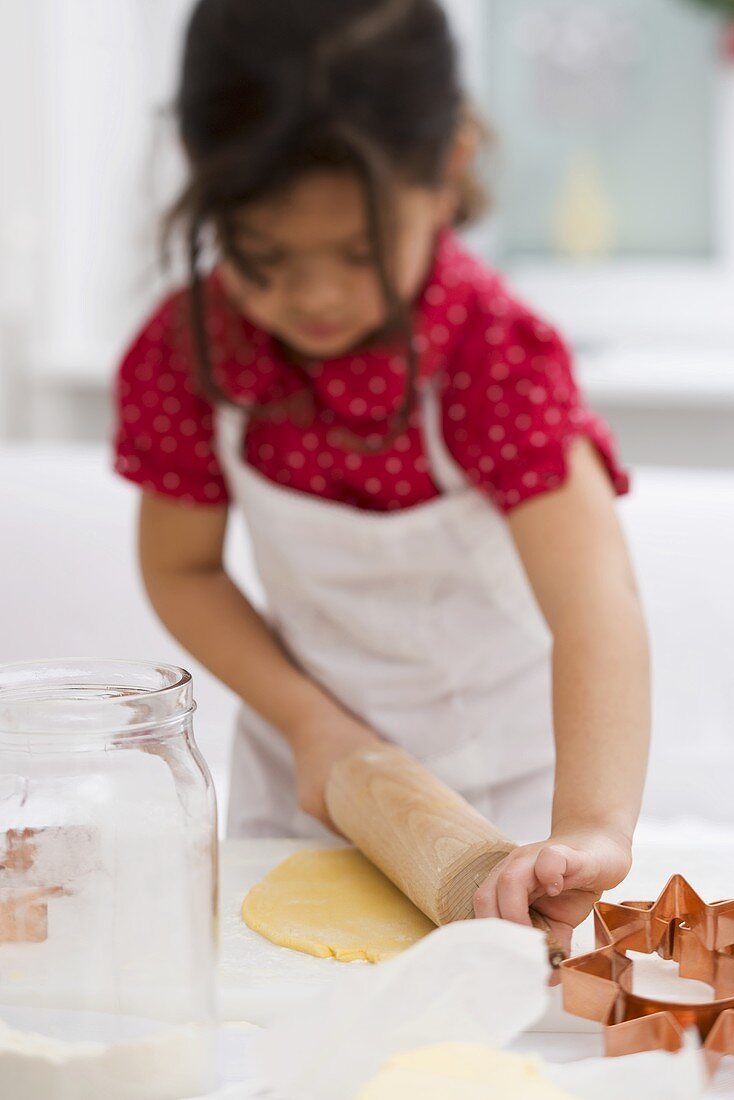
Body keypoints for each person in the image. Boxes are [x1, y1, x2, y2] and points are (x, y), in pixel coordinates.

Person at [113, 0, 650, 954]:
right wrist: (314, 726)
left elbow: (594, 600)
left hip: (513, 802)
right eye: (264, 258)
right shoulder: (192, 354)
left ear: (448, 170)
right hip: (305, 779)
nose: (313, 298)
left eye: (360, 255)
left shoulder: (493, 359)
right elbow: (181, 568)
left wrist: (593, 827)